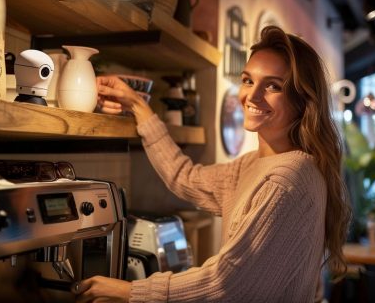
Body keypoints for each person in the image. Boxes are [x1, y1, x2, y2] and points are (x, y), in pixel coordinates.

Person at [72, 26, 351, 302]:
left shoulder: (286, 178)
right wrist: (137, 106)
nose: (252, 97)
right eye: (248, 80)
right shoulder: (255, 165)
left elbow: (228, 284)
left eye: (273, 85)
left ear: (302, 100)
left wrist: (128, 290)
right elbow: (185, 177)